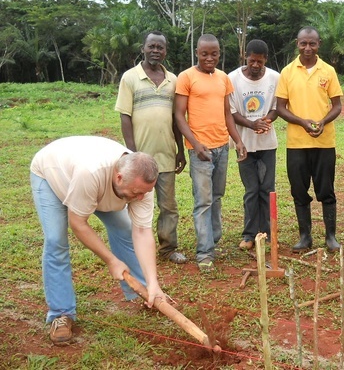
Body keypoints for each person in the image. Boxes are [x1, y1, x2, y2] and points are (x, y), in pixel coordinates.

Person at [30, 136, 166, 346]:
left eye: (145, 193)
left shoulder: (141, 185)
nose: (141, 198)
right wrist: (111, 260)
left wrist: (153, 281)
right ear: (119, 178)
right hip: (52, 177)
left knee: (125, 228)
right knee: (56, 241)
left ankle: (146, 292)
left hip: (93, 184)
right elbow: (79, 223)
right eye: (136, 193)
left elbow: (142, 232)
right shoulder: (91, 173)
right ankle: (61, 314)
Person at [174, 34, 247, 272]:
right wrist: (195, 144)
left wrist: (237, 140)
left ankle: (212, 240)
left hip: (221, 147)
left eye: (214, 54)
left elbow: (227, 113)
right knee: (203, 201)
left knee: (217, 196)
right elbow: (179, 115)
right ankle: (204, 253)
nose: (209, 58)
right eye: (204, 53)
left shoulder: (223, 78)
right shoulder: (186, 77)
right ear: (197, 52)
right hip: (200, 151)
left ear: (219, 54)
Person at [115, 30, 187, 264]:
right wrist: (133, 153)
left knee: (168, 205)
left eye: (160, 47)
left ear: (166, 51)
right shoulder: (130, 77)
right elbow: (125, 117)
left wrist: (180, 150)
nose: (156, 51)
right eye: (151, 46)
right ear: (143, 48)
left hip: (166, 156)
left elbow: (177, 119)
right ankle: (132, 248)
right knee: (135, 202)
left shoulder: (173, 80)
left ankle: (168, 249)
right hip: (139, 157)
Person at [275, 26, 342, 253]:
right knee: (299, 191)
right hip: (296, 144)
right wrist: (302, 122)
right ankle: (305, 236)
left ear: (319, 44)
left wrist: (323, 122)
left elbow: (337, 105)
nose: (307, 48)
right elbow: (280, 108)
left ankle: (331, 236)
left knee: (326, 190)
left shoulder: (328, 71)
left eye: (312, 43)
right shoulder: (287, 72)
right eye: (303, 43)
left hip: (324, 143)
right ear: (297, 43)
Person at [228, 39, 280, 250]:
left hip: (267, 144)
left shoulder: (275, 78)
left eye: (260, 61)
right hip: (244, 145)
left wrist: (265, 121)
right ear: (245, 57)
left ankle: (266, 233)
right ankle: (249, 235)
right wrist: (251, 124)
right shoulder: (232, 79)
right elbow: (231, 112)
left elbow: (277, 107)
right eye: (252, 61)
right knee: (251, 190)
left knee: (267, 189)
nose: (256, 65)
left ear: (265, 59)